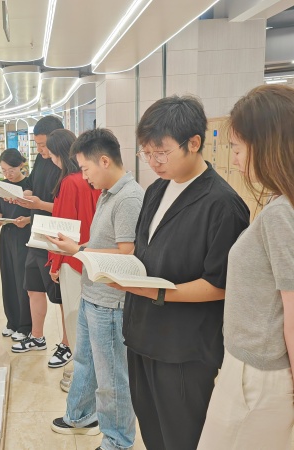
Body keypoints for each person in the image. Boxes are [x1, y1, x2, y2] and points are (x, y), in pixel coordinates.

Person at [114, 95, 249, 450]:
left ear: (194, 143)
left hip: (184, 350)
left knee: (183, 438)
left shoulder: (223, 205)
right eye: (146, 152)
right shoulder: (156, 190)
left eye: (161, 152)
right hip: (142, 335)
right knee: (152, 431)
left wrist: (156, 292)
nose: (153, 162)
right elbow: (144, 252)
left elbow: (221, 284)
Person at [197, 85, 294, 449]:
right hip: (251, 369)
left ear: (269, 145)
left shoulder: (281, 213)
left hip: (258, 377)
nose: (234, 159)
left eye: (237, 148)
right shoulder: (280, 204)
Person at [47, 128, 141, 450]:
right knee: (84, 361)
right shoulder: (107, 193)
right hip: (93, 294)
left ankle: (118, 440)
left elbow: (127, 253)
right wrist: (78, 246)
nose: (84, 177)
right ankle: (81, 415)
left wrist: (78, 251)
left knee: (112, 378)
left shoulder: (129, 198)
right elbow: (105, 243)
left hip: (111, 302)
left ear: (104, 161)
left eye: (86, 169)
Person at [36, 129, 101, 371]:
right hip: (93, 254)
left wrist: (54, 263)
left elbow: (62, 228)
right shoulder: (90, 178)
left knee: (75, 318)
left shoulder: (68, 182)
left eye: (51, 153)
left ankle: (80, 372)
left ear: (60, 154)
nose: (50, 158)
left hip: (71, 258)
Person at [11, 116, 63, 367]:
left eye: (44, 145)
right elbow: (31, 184)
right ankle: (37, 336)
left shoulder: (66, 164)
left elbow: (66, 209)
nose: (41, 150)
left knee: (60, 296)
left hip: (56, 238)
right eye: (37, 145)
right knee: (33, 287)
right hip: (37, 233)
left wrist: (40, 205)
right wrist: (24, 197)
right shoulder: (41, 159)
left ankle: (67, 343)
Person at [0, 148, 32, 341]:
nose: (7, 174)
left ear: (21, 165)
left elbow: (38, 212)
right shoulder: (2, 186)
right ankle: (12, 322)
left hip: (25, 236)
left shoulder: (30, 185)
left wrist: (28, 220)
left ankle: (25, 325)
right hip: (7, 235)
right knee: (8, 278)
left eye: (11, 170)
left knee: (23, 280)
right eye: (4, 170)